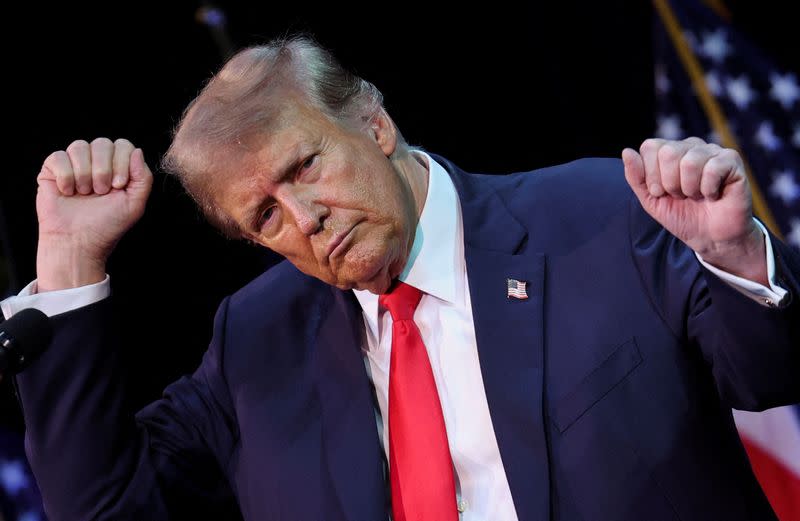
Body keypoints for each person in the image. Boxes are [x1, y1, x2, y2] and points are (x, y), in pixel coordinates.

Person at [2, 35, 798, 521]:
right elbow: (104, 507)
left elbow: (771, 373)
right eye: (265, 216)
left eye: (305, 165)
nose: (305, 215)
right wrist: (69, 265)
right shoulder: (255, 344)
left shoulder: (597, 216)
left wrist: (735, 259)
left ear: (373, 123)